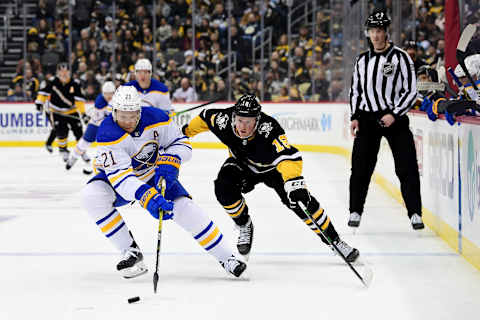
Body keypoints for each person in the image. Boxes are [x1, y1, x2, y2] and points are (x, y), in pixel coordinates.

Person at [81, 86, 246, 279]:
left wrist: (172, 159)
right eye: (122, 116)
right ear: (114, 112)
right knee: (92, 196)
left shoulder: (158, 118)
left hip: (155, 173)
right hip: (120, 179)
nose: (127, 121)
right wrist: (145, 195)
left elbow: (182, 143)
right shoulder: (107, 133)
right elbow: (122, 179)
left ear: (139, 112)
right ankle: (130, 251)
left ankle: (227, 258)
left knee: (185, 209)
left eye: (132, 115)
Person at [182, 94, 360, 263]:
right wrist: (184, 132)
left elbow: (288, 157)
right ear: (234, 116)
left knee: (302, 202)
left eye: (248, 122)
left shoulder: (270, 129)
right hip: (242, 165)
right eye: (240, 120)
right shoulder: (224, 120)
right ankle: (244, 224)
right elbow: (205, 117)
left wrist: (294, 183)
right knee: (223, 188)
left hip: (274, 169)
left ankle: (335, 241)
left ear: (257, 120)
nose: (242, 127)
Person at [348, 10, 423, 230]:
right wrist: (354, 116)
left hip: (395, 119)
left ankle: (415, 213)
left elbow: (411, 91)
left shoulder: (400, 57)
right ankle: (355, 210)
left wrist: (395, 113)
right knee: (360, 168)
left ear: (386, 32)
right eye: (372, 31)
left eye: (379, 30)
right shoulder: (362, 60)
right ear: (367, 33)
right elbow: (355, 91)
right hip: (367, 119)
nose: (376, 35)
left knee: (407, 166)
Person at [35, 63, 87, 161]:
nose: (63, 74)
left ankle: (82, 152)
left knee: (79, 133)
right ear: (58, 72)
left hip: (71, 111)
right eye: (61, 72)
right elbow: (43, 93)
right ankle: (63, 150)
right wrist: (39, 103)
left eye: (66, 71)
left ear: (69, 72)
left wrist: (83, 113)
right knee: (61, 133)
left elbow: (79, 100)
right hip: (57, 112)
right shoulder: (52, 81)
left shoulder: (75, 83)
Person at [65, 81, 116, 173]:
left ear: (114, 92)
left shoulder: (117, 99)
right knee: (84, 142)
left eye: (111, 93)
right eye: (106, 94)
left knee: (109, 146)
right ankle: (73, 158)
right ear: (102, 93)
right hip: (96, 124)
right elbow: (99, 119)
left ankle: (104, 164)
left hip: (109, 126)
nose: (108, 96)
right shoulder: (100, 101)